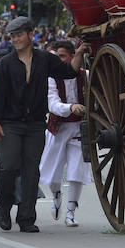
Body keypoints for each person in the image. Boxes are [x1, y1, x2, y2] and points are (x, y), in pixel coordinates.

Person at [0, 16, 89, 233]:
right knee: (7, 167)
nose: (15, 39)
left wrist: (79, 54)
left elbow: (69, 72)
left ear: (30, 34)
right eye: (12, 36)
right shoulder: (5, 64)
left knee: (31, 171)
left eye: (19, 35)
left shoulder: (45, 59)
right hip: (9, 123)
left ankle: (26, 218)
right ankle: (4, 207)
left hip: (35, 124)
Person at [39, 40, 91, 228]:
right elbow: (52, 104)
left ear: (72, 57)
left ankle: (71, 212)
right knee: (51, 174)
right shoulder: (52, 78)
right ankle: (56, 195)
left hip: (79, 128)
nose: (58, 61)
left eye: (62, 57)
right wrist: (70, 107)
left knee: (77, 171)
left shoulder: (86, 75)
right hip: (58, 129)